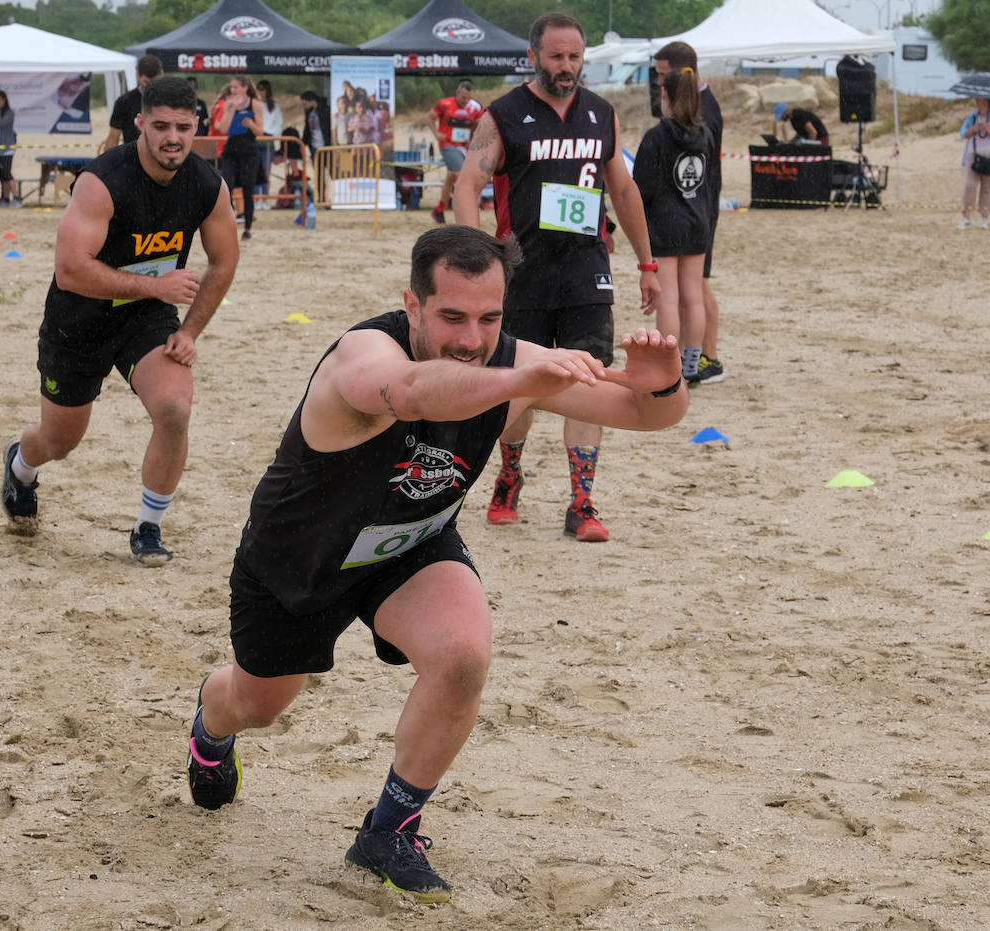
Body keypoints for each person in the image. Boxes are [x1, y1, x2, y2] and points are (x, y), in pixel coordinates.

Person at [184, 226, 687, 903]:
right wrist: (520, 380)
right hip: (301, 554)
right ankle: (210, 732)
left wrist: (662, 382)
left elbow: (648, 415)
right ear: (412, 305)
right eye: (452, 316)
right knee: (258, 703)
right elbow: (415, 391)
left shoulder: (514, 363)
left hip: (408, 545)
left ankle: (389, 830)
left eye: (489, 318)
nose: (472, 338)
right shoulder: (366, 353)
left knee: (462, 658)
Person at [0, 77, 239, 565]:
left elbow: (225, 260)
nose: (173, 138)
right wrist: (155, 286)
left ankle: (148, 527)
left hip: (147, 319)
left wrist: (189, 331)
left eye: (183, 127)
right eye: (161, 126)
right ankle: (20, 467)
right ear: (140, 123)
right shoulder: (103, 180)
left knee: (174, 408)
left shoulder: (207, 185)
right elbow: (69, 271)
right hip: (78, 319)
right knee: (59, 442)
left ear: (197, 126)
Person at [452, 12, 662, 542]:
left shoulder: (601, 114)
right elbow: (466, 186)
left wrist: (647, 264)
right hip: (520, 274)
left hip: (586, 271)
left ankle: (582, 501)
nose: (566, 67)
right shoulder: (503, 115)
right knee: (518, 386)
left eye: (574, 57)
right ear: (533, 57)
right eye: (556, 57)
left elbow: (624, 192)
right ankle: (509, 476)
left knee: (589, 380)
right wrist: (478, 262)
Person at [634, 68, 714, 385]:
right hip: (697, 221)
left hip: (666, 224)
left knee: (668, 299)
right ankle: (692, 363)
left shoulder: (656, 137)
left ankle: (671, 366)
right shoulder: (705, 135)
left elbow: (641, 188)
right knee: (693, 297)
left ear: (665, 95)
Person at [655, 41, 726, 386]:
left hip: (690, 211)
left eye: (661, 75)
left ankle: (705, 357)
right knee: (690, 292)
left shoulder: (702, 112)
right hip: (694, 210)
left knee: (692, 289)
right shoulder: (699, 116)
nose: (658, 82)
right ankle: (690, 358)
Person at [212, 76, 263, 241]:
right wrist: (230, 111)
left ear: (245, 88)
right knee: (227, 187)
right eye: (232, 87)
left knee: (248, 190)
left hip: (249, 151)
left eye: (236, 87)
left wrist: (251, 124)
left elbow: (260, 131)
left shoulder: (254, 104)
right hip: (231, 151)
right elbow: (223, 128)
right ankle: (229, 224)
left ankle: (247, 228)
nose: (233, 90)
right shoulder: (228, 104)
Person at [427, 80, 482, 225]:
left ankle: (439, 210)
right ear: (457, 93)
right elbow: (430, 117)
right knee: (460, 177)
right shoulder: (445, 104)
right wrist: (436, 133)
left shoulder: (474, 108)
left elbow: (480, 123)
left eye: (468, 98)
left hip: (464, 147)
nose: (465, 101)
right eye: (463, 97)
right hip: (448, 145)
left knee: (451, 177)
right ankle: (466, 210)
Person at [957, 98, 990, 230]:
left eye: (983, 100)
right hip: (972, 156)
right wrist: (973, 129)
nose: (980, 102)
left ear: (988, 100)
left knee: (987, 188)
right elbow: (962, 133)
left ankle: (984, 219)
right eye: (978, 99)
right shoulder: (972, 116)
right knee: (969, 186)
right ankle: (966, 218)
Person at [101, 54, 163, 154]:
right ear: (138, 74)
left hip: (164, 157)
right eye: (146, 82)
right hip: (133, 158)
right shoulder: (124, 102)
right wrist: (106, 162)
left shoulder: (171, 100)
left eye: (155, 82)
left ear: (162, 74)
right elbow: (113, 138)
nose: (151, 87)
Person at [254, 79, 283, 206]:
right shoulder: (254, 104)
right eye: (259, 89)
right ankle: (256, 198)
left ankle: (264, 199)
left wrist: (272, 136)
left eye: (263, 89)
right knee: (255, 170)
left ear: (267, 91)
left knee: (266, 171)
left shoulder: (274, 107)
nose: (261, 92)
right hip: (256, 138)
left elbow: (279, 124)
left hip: (268, 140)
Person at [0, 90, 19, 207]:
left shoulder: (9, 113)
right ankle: (5, 198)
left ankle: (17, 198)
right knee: (2, 174)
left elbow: (1, 124)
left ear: (4, 100)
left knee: (7, 173)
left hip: (7, 148)